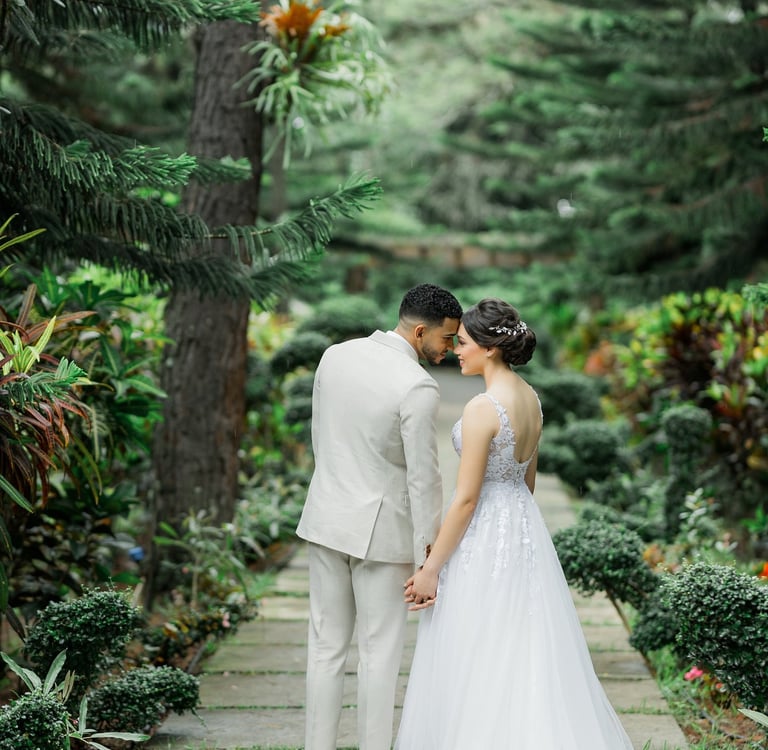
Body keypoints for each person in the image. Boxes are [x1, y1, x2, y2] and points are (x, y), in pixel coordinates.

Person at [395, 298, 634, 749]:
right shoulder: (530, 398)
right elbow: (527, 481)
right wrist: (515, 528)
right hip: (523, 526)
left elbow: (467, 499)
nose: (456, 350)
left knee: (476, 644)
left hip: (485, 530)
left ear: (489, 348)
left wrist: (431, 569)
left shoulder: (482, 407)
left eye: (463, 343)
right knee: (522, 640)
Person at [296, 283, 463, 750]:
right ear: (421, 332)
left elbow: (320, 438)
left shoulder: (334, 356)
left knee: (324, 650)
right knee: (378, 656)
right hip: (382, 536)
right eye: (447, 339)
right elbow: (423, 479)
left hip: (326, 518)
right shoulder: (417, 385)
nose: (450, 350)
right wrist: (428, 560)